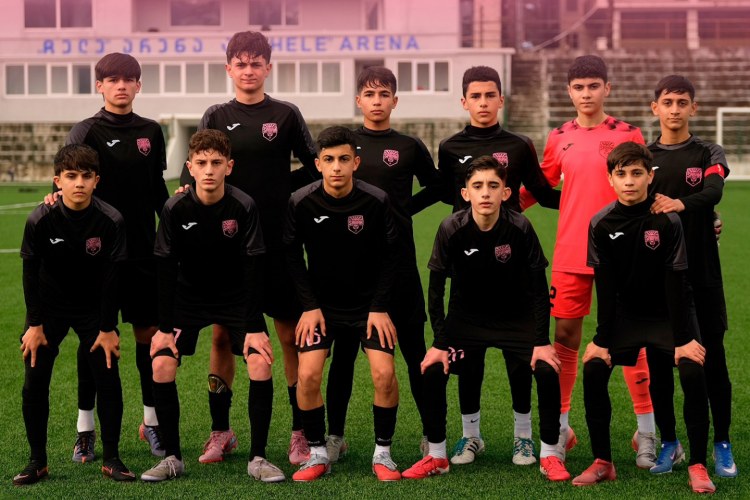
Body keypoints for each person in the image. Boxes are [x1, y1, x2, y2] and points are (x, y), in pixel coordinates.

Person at [177, 30, 318, 465]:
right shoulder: (216, 115)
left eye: (256, 63)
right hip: (230, 246)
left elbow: (315, 166)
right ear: (229, 69)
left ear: (268, 68)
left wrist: (280, 187)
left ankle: (299, 432)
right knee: (223, 336)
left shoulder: (286, 114)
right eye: (240, 63)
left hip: (277, 242)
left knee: (289, 335)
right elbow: (196, 168)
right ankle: (221, 431)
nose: (249, 70)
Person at [520, 55, 656, 467]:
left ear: (606, 89)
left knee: (632, 336)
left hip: (624, 253)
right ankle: (562, 427)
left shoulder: (628, 133)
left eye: (593, 86)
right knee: (565, 337)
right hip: (571, 250)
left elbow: (648, 185)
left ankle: (646, 431)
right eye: (578, 87)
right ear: (569, 92)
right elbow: (539, 185)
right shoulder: (559, 136)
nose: (586, 94)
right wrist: (499, 209)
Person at [402, 155, 568, 481]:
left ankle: (546, 452)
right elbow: (435, 291)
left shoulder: (520, 227)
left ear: (506, 192)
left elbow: (539, 289)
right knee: (433, 369)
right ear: (465, 193)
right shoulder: (451, 228)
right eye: (477, 186)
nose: (485, 192)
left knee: (547, 369)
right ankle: (438, 454)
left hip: (516, 318)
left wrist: (541, 341)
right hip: (466, 320)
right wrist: (439, 343)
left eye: (493, 185)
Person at [141, 129, 284, 483]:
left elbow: (254, 267)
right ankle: (172, 459)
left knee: (260, 362)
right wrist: (163, 328)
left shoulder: (243, 206)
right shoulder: (175, 208)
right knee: (161, 364)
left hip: (236, 298)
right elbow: (164, 268)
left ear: (229, 167)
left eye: (216, 163)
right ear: (189, 166)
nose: (208, 170)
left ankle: (258, 458)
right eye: (201, 163)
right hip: (188, 298)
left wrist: (254, 327)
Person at [573, 141, 714, 494]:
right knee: (593, 367)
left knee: (693, 370)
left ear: (650, 176)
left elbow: (676, 282)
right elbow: (605, 287)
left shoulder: (667, 220)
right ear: (610, 179)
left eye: (637, 173)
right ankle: (603, 462)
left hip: (668, 315)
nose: (629, 181)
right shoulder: (600, 223)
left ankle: (697, 465)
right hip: (626, 316)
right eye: (621, 174)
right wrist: (602, 340)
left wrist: (683, 339)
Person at [436, 65, 560, 466]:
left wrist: (599, 199)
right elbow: (442, 195)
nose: (483, 102)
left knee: (517, 360)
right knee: (469, 361)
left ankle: (523, 438)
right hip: (468, 269)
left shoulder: (519, 144)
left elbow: (543, 193)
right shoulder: (450, 147)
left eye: (490, 95)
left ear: (501, 99)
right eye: (476, 96)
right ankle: (470, 437)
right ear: (464, 101)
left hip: (512, 266)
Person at [323, 66, 441, 461]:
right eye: (370, 94)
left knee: (414, 351)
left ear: (395, 100)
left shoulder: (407, 146)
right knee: (342, 357)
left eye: (384, 94)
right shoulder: (345, 145)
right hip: (351, 268)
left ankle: (432, 434)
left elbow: (438, 187)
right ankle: (335, 436)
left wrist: (403, 209)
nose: (377, 101)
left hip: (400, 264)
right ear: (358, 100)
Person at [64, 52, 170, 460]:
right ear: (100, 86)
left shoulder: (151, 131)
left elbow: (157, 188)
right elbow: (70, 184)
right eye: (112, 80)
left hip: (143, 253)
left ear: (139, 85)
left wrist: (176, 219)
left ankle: (152, 423)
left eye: (129, 79)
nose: (121, 86)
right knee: (95, 340)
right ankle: (85, 429)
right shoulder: (85, 131)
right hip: (99, 256)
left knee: (148, 337)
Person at [283, 126, 401, 482]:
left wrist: (379, 307)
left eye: (344, 159)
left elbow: (392, 257)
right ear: (318, 164)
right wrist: (308, 306)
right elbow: (292, 257)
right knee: (307, 375)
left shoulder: (376, 200)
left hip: (369, 308)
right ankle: (318, 453)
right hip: (321, 308)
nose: (337, 167)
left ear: (356, 163)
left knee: (384, 374)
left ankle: (383, 454)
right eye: (329, 159)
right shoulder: (301, 201)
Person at [14, 144, 134, 485]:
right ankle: (37, 461)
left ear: (97, 180)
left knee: (108, 376)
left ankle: (111, 458)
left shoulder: (111, 220)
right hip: (49, 309)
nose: (78, 183)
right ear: (58, 181)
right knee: (34, 380)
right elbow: (29, 273)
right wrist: (34, 324)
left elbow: (113, 278)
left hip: (93, 308)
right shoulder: (39, 219)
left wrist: (108, 327)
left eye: (85, 176)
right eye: (70, 176)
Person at [648, 74, 736, 478]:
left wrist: (681, 205)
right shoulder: (644, 157)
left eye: (682, 103)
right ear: (655, 108)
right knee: (659, 363)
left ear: (693, 108)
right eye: (668, 102)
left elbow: (714, 192)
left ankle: (722, 443)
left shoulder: (707, 152)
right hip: (659, 279)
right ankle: (669, 442)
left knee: (713, 359)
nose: (675, 110)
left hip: (703, 274)